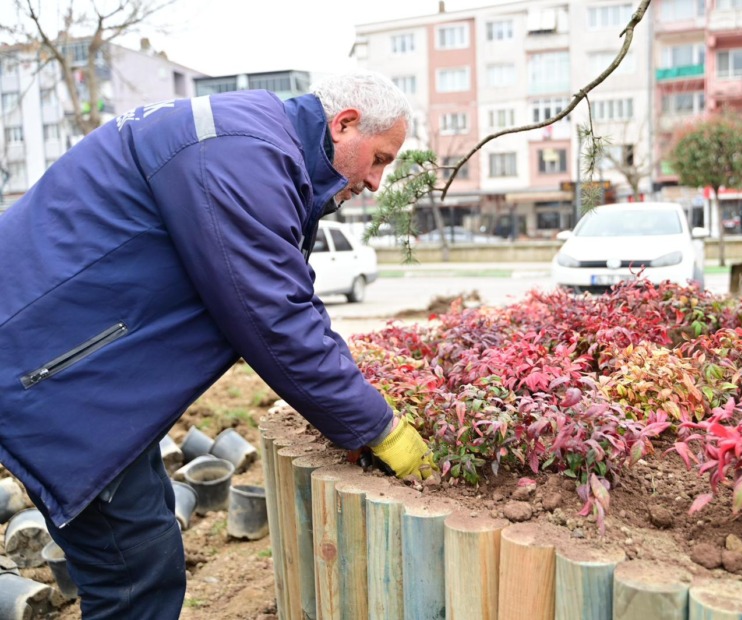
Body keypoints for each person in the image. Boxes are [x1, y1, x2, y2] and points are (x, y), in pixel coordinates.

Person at [0, 71, 435, 618]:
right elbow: (275, 318)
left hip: (73, 367)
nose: (375, 182)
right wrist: (379, 427)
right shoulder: (241, 155)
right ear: (344, 124)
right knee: (134, 575)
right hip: (50, 377)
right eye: (380, 159)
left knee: (148, 528)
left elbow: (285, 301)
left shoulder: (252, 141)